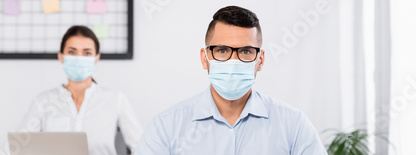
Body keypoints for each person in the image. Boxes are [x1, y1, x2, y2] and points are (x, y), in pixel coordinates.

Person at [134, 6, 327, 155]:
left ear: (260, 60)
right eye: (222, 50)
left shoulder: (294, 125)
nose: (233, 61)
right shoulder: (166, 127)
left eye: (245, 51)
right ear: (205, 58)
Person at [16, 25, 142, 155]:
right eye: (72, 52)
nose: (79, 58)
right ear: (61, 57)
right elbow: (20, 149)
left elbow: (141, 146)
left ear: (96, 58)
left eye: (87, 53)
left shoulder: (115, 99)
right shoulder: (43, 102)